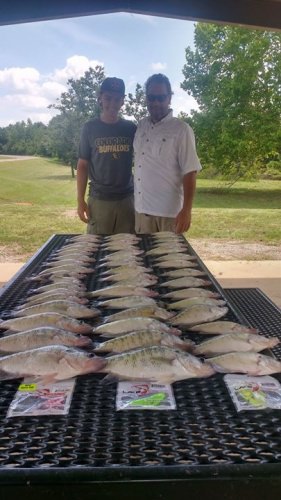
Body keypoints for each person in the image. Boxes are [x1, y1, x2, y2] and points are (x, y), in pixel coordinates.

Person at [133, 73, 202, 234]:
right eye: (151, 97)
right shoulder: (141, 126)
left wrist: (186, 210)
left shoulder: (182, 130)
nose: (156, 102)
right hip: (141, 213)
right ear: (146, 99)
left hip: (170, 216)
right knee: (144, 258)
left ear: (169, 98)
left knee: (168, 260)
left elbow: (190, 171)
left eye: (161, 97)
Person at [76, 77, 136, 234]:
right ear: (100, 99)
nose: (112, 103)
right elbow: (82, 165)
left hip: (127, 200)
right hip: (99, 200)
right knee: (96, 250)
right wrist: (80, 200)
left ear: (122, 101)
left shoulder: (131, 129)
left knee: (126, 250)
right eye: (108, 98)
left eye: (117, 99)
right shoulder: (89, 128)